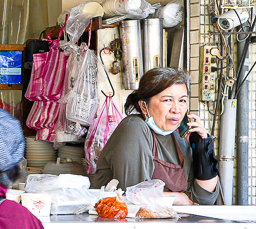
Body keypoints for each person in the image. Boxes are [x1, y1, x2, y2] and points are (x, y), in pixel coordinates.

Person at [90, 67, 220, 206]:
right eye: (167, 100)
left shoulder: (179, 137)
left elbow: (205, 198)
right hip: (124, 224)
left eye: (182, 101)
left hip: (165, 223)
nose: (176, 109)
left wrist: (202, 147)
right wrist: (178, 198)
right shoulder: (134, 128)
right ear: (144, 106)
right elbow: (135, 197)